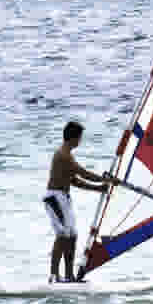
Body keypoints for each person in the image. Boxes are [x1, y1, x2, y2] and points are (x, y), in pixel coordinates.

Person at [43, 121, 113, 282]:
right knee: (62, 235)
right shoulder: (63, 155)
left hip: (64, 198)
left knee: (72, 236)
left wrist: (99, 188)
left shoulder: (67, 155)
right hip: (54, 198)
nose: (80, 141)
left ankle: (69, 275)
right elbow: (82, 172)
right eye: (80, 138)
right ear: (74, 138)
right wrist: (104, 180)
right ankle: (54, 275)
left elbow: (74, 180)